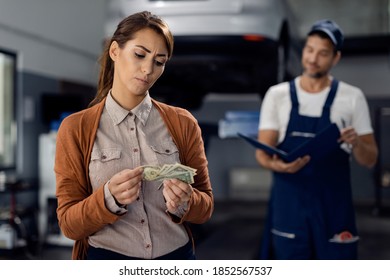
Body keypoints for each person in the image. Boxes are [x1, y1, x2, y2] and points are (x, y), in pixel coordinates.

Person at [54, 11, 214, 260]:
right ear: (115, 51)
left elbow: (206, 208)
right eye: (139, 55)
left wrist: (187, 200)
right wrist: (108, 199)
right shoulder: (75, 128)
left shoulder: (183, 123)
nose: (148, 69)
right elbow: (69, 224)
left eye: (159, 61)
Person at [256, 19, 378, 259]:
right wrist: (277, 165)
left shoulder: (352, 97)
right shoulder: (277, 95)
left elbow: (370, 159)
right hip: (288, 207)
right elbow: (262, 153)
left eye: (323, 53)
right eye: (309, 50)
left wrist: (356, 143)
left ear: (336, 58)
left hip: (333, 209)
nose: (313, 58)